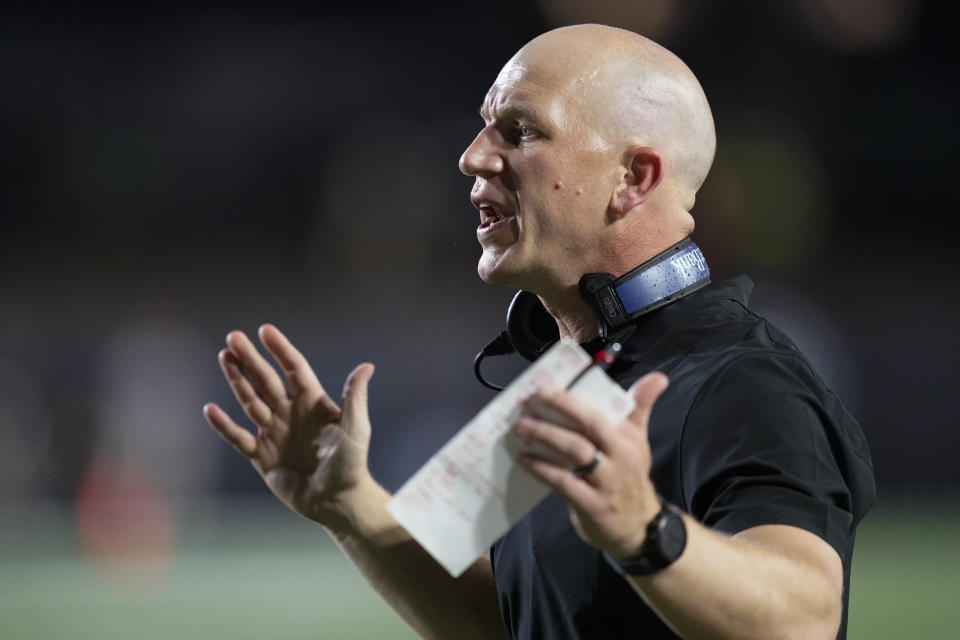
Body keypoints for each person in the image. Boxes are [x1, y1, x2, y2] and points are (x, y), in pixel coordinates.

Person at [203, 24, 875, 640]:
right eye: (483, 128)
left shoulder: (743, 379)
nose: (471, 158)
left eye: (519, 132)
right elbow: (501, 621)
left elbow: (804, 617)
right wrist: (352, 506)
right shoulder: (569, 374)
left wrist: (647, 533)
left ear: (632, 179)